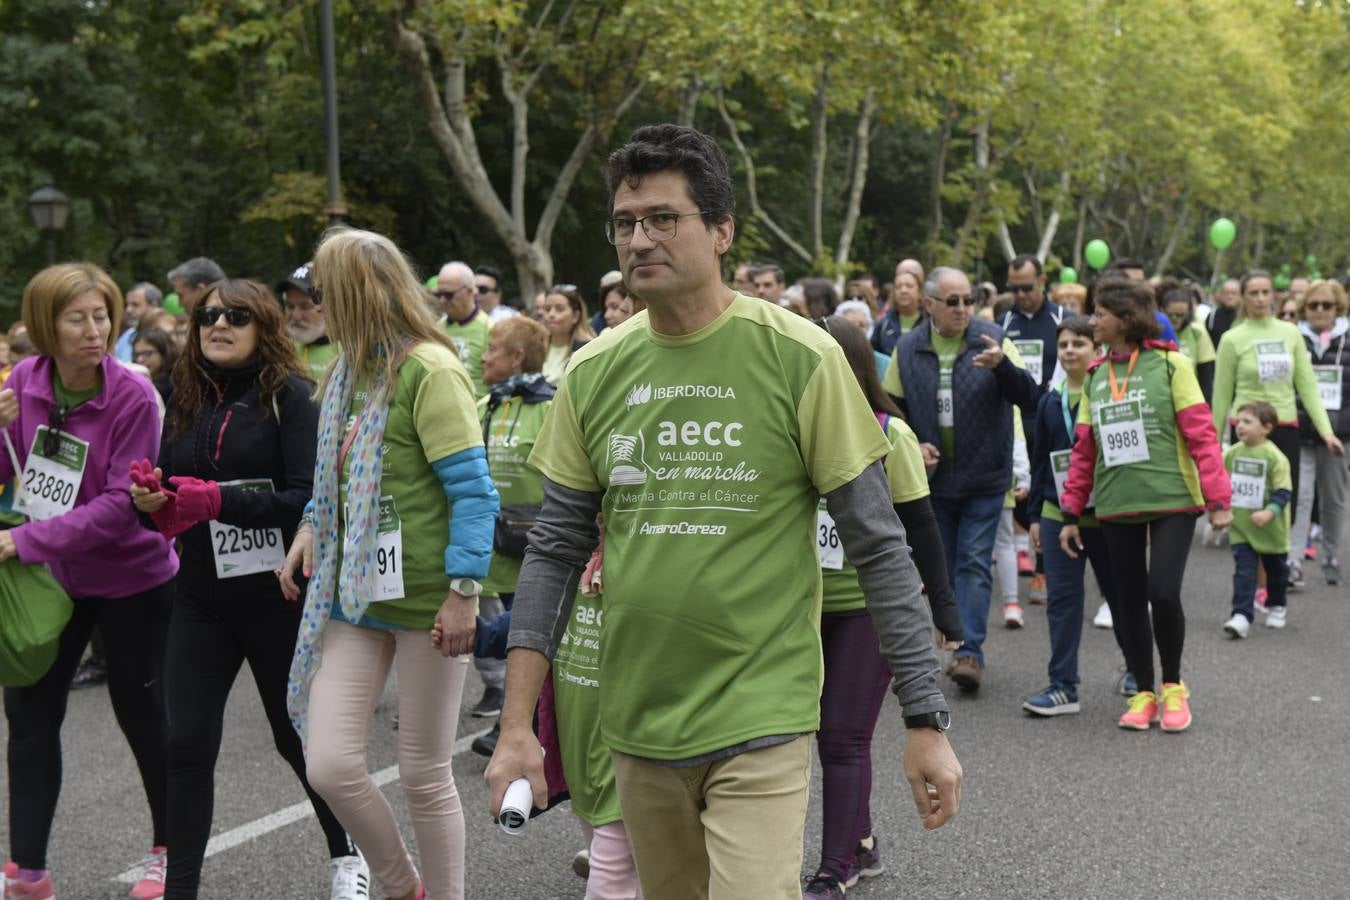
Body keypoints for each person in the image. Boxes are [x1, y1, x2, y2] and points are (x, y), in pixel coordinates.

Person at [485, 124, 961, 900]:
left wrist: (925, 719)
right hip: (636, 717)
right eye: (626, 222)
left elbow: (880, 546)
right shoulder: (594, 371)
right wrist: (515, 729)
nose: (640, 239)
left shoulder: (801, 356)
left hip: (760, 712)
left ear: (722, 230)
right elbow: (555, 550)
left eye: (663, 218)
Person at [128, 279, 368, 899]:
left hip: (277, 598)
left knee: (296, 740)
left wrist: (221, 500)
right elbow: (167, 502)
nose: (218, 324)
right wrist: (150, 501)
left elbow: (307, 500)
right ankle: (182, 887)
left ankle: (348, 856)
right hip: (201, 599)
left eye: (236, 315)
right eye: (207, 315)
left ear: (263, 325)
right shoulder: (181, 397)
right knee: (185, 743)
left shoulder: (291, 396)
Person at [278, 228, 499, 900]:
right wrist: (311, 526)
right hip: (354, 596)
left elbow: (473, 492)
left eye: (322, 292)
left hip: (430, 602)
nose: (311, 306)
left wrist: (463, 592)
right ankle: (405, 887)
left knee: (424, 774)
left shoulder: (430, 370)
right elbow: (335, 483)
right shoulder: (345, 371)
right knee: (330, 765)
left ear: (352, 294)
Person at [0, 263, 177, 900]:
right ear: (46, 325)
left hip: (131, 581)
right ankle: (28, 871)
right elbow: (10, 470)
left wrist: (21, 541)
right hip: (51, 581)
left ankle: (169, 851)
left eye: (102, 314)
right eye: (77, 318)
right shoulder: (23, 380)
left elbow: (117, 506)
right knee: (29, 716)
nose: (95, 330)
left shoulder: (132, 395)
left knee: (142, 715)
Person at [805, 315, 963, 900]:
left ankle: (832, 870)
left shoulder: (889, 434)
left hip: (866, 610)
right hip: (800, 607)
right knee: (811, 731)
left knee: (842, 738)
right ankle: (863, 842)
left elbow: (921, 528)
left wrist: (946, 616)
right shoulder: (790, 426)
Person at [1059, 278, 1232, 733]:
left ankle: (1173, 685)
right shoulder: (1095, 376)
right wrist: (1070, 513)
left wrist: (1218, 500)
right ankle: (1144, 691)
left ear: (1126, 318)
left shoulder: (1173, 366)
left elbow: (1202, 434)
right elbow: (1083, 452)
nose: (1093, 321)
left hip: (1174, 498)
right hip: (1116, 502)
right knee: (1128, 600)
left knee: (1163, 592)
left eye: (1100, 313)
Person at [882, 266, 1039, 691]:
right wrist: (911, 445)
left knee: (973, 561)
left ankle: (969, 652)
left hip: (986, 477)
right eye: (952, 301)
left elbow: (1029, 396)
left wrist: (1003, 367)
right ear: (929, 304)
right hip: (934, 482)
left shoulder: (993, 339)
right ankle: (953, 640)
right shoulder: (909, 348)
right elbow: (891, 410)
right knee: (945, 569)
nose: (963, 308)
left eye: (968, 299)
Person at [1211, 270, 1343, 588]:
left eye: (1265, 292)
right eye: (1253, 293)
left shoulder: (1290, 333)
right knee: (1250, 505)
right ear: (1244, 297)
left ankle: (1276, 573)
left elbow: (1307, 386)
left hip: (1284, 427)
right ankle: (1256, 584)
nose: (1259, 299)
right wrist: (1212, 444)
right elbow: (1221, 394)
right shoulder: (1232, 338)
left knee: (1286, 504)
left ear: (1274, 295)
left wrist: (1326, 432)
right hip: (1244, 431)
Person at [1024, 316, 1127, 715]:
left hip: (1105, 514)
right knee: (1062, 602)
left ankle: (1138, 671)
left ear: (1097, 350)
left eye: (1079, 343)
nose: (1069, 350)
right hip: (1056, 513)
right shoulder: (1050, 401)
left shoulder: (1110, 393)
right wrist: (1034, 514)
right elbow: (1040, 462)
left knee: (1120, 595)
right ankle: (1063, 685)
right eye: (1064, 344)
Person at [468, 316, 556, 752]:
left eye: (493, 349)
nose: (483, 356)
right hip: (495, 543)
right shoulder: (485, 404)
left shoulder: (551, 406)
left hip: (541, 546)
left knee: (528, 634)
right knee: (514, 633)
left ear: (517, 357)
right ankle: (524, 721)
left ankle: (523, 727)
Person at [1293, 280, 1348, 585]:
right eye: (1313, 305)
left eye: (1326, 305)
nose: (1319, 311)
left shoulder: (1347, 336)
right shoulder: (1293, 337)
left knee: (1334, 498)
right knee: (1300, 496)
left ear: (1337, 307)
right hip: (1301, 430)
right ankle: (1294, 559)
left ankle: (1331, 556)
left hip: (1340, 434)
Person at [1221, 402, 1291, 637]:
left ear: (1266, 428)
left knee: (1277, 572)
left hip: (1271, 529)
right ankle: (1241, 614)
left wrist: (1269, 512)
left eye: (1247, 422)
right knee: (1244, 571)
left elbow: (1283, 492)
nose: (1240, 426)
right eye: (1238, 421)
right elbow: (1220, 482)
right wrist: (1217, 509)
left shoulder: (1275, 457)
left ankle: (1277, 605)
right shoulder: (1231, 453)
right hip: (1241, 526)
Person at [1001, 254, 1064, 390]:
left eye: (1026, 287)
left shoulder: (1063, 319)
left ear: (1042, 281)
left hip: (1053, 406)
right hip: (1016, 407)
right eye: (1014, 288)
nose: (1020, 294)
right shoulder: (1002, 323)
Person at [435, 261, 493, 396]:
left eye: (449, 295)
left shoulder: (490, 328)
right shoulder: (436, 328)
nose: (443, 300)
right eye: (439, 294)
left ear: (469, 292)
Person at [1159, 279, 1216, 401]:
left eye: (1181, 315)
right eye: (1171, 315)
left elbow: (1206, 374)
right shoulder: (1153, 331)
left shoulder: (1197, 331)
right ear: (1162, 310)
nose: (1176, 319)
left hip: (1190, 397)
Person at [280, 263, 339, 383]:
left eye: (306, 306)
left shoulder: (350, 353)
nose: (296, 316)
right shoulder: (280, 349)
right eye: (290, 306)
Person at [537, 284, 594, 383]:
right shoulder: (535, 346)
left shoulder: (587, 349)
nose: (551, 314)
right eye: (547, 309)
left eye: (559, 309)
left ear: (576, 316)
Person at [870, 261, 925, 356]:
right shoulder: (882, 325)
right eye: (898, 287)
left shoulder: (931, 324)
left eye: (909, 286)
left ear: (920, 291)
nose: (903, 291)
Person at [117, 282, 164, 362]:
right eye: (127, 304)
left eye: (135, 305)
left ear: (154, 305)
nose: (128, 310)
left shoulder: (166, 335)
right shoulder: (128, 334)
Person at [132, 327, 179, 400]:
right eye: (137, 355)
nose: (140, 360)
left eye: (147, 353)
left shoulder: (174, 384)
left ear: (164, 352)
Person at [1208, 278, 1241, 347]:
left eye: (1234, 293)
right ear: (1221, 295)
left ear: (1240, 295)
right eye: (1227, 293)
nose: (1230, 296)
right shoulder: (1212, 316)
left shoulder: (1247, 316)